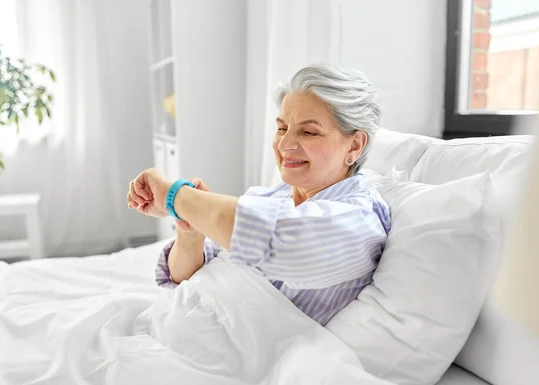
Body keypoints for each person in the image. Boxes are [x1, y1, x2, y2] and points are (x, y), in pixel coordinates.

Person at [127, 65, 390, 325]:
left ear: (354, 146)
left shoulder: (358, 219)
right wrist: (191, 232)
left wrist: (177, 198)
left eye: (308, 132)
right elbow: (181, 277)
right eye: (282, 128)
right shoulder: (268, 197)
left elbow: (276, 241)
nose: (285, 145)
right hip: (182, 324)